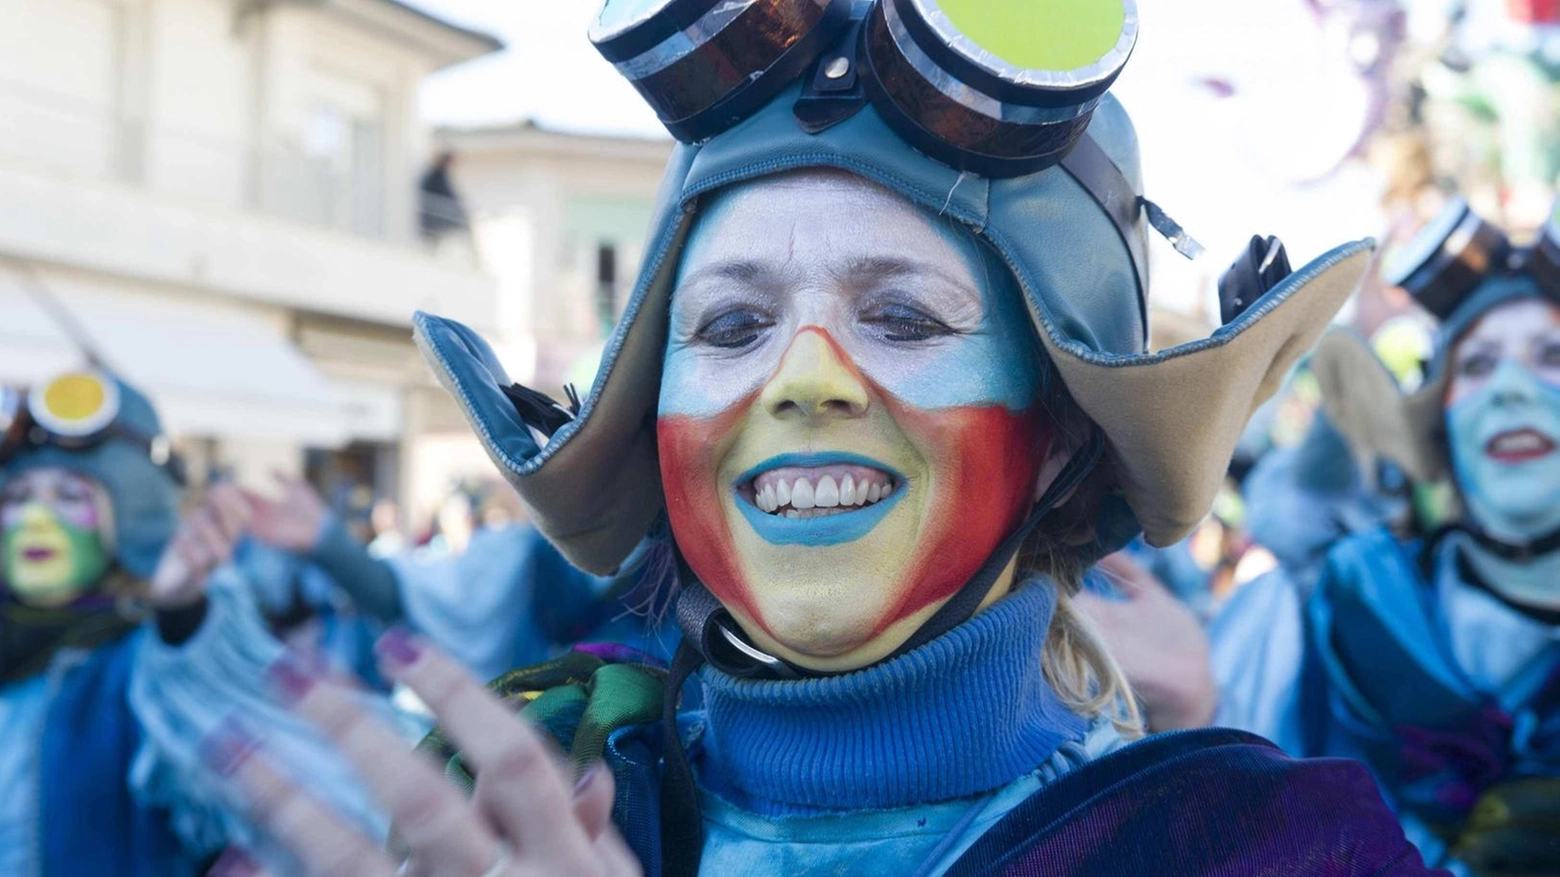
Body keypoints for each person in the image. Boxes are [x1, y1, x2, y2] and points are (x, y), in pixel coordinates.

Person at [205, 2, 1443, 875]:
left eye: (901, 316)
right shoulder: (527, 816)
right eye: (733, 323)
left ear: (1063, 434)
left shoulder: (1268, 849)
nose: (803, 381)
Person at [1213, 195, 1560, 874]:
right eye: (1480, 365)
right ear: (1438, 427)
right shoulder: (1325, 609)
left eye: (1550, 354)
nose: (1511, 389)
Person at [0, 369, 377, 876]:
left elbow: (241, 754)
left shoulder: (153, 663)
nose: (35, 521)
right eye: (18, 498)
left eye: (70, 496)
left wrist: (183, 615)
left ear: (133, 513)